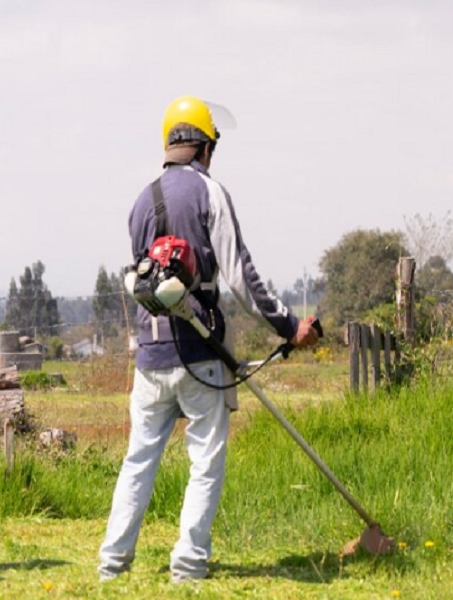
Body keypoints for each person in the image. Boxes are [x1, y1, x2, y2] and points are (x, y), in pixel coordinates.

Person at [98, 95, 319, 583]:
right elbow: (242, 278)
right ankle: (189, 565)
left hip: (150, 356)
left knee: (138, 461)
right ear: (203, 145)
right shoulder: (210, 193)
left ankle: (112, 565)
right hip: (200, 355)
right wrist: (289, 326)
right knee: (205, 462)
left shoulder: (141, 200)